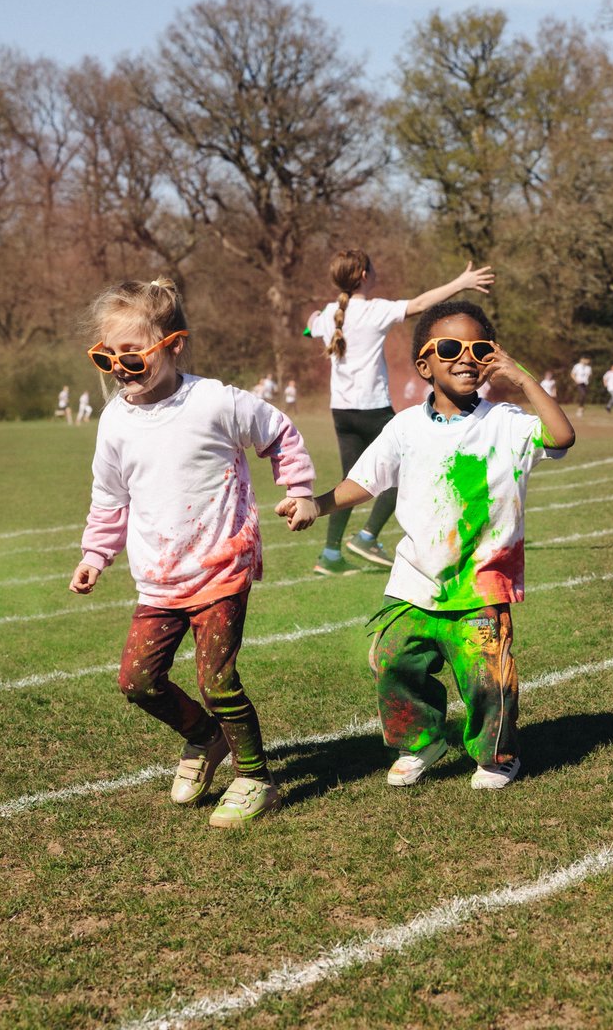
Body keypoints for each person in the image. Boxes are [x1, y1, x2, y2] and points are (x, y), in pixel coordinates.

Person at [278, 300, 575, 791]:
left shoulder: (506, 421)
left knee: (488, 679)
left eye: (480, 349)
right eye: (451, 348)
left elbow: (562, 436)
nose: (466, 357)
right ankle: (422, 741)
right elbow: (365, 481)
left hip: (481, 582)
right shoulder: (404, 427)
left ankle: (497, 756)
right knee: (391, 659)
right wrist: (317, 504)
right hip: (414, 578)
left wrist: (520, 377)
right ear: (424, 365)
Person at [68, 278, 315, 828]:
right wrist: (94, 554)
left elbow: (280, 433)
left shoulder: (214, 402)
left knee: (218, 680)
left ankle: (256, 778)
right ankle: (204, 739)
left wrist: (297, 489)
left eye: (132, 354)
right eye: (106, 356)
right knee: (137, 681)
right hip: (158, 576)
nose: (119, 367)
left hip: (220, 564)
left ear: (174, 344)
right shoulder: (114, 420)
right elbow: (110, 497)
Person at [306, 250, 494, 576]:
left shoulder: (330, 314)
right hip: (372, 407)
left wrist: (313, 322)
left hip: (341, 411)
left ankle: (330, 554)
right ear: (365, 274)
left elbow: (310, 328)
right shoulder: (373, 310)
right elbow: (421, 304)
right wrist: (461, 282)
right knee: (406, 469)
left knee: (349, 480)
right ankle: (367, 537)